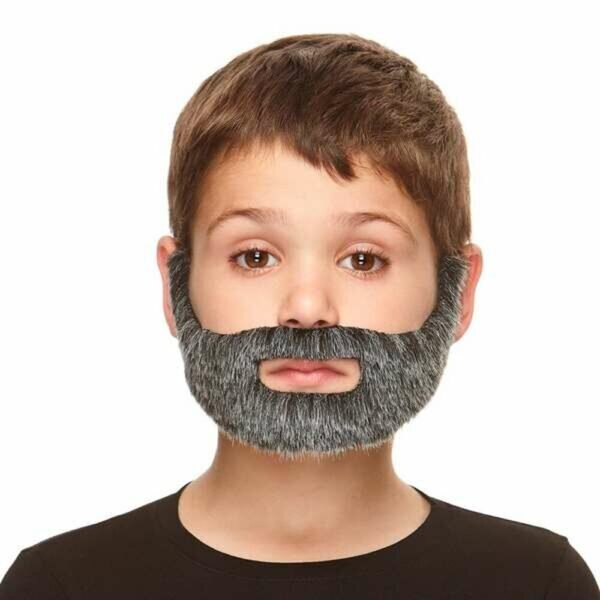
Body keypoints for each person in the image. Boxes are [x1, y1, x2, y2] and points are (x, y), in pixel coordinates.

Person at [1, 32, 598, 599]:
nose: (307, 309)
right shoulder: (60, 587)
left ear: (458, 291)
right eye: (255, 256)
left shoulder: (537, 584)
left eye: (364, 259)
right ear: (173, 283)